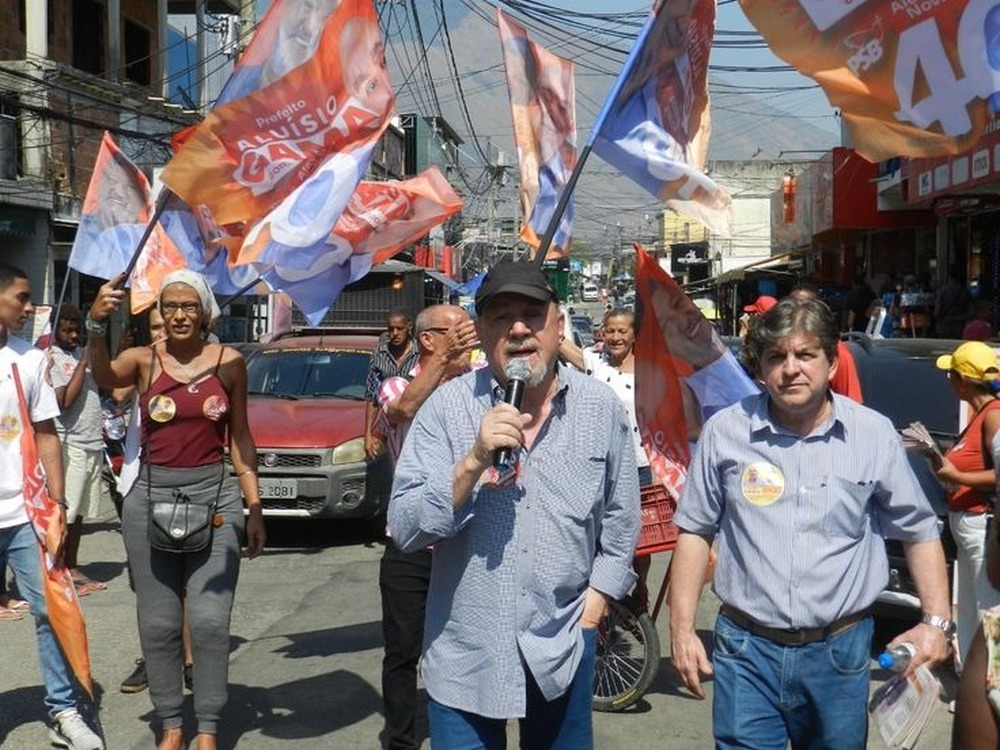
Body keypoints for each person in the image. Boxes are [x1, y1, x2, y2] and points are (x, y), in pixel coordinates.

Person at [668, 297, 952, 750]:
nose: (791, 369)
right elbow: (695, 531)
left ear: (831, 361)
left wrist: (937, 621)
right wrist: (682, 630)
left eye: (805, 355)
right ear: (760, 367)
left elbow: (918, 530)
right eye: (776, 356)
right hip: (746, 650)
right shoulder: (725, 432)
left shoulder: (873, 433)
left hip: (838, 654)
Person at [387, 260, 640, 749]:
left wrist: (596, 604)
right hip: (467, 656)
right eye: (502, 317)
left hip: (563, 646)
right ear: (481, 331)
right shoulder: (447, 408)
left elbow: (621, 515)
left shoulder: (598, 407)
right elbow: (405, 528)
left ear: (558, 325)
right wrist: (472, 462)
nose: (520, 329)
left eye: (533, 314)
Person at [87, 269, 266, 750]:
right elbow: (104, 377)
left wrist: (254, 506)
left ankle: (206, 726)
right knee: (159, 622)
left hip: (216, 497)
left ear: (205, 312)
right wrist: (95, 325)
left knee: (208, 621)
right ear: (161, 314)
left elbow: (241, 438)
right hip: (149, 498)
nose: (180, 314)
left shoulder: (229, 362)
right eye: (171, 307)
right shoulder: (144, 360)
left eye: (189, 306)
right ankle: (171, 723)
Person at [0, 263, 103, 749]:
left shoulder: (27, 362)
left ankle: (64, 711)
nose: (28, 307)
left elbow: (45, 435)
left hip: (25, 516)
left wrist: (58, 504)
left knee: (55, 612)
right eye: (21, 298)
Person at [377, 304, 478, 750]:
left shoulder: (480, 385)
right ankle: (401, 739)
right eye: (457, 332)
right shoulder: (395, 382)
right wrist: (442, 364)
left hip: (465, 539)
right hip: (413, 540)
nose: (467, 339)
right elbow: (403, 409)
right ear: (428, 340)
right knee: (403, 652)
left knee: (466, 647)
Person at [115, 307, 195, 696]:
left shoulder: (200, 366)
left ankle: (192, 659)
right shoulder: (142, 365)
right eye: (155, 328)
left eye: (166, 326)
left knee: (185, 582)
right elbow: (114, 390)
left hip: (186, 485)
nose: (162, 333)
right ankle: (153, 657)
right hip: (138, 481)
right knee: (149, 583)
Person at [935, 342, 1000, 661]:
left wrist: (957, 477)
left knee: (987, 611)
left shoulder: (994, 416)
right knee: (971, 611)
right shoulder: (981, 416)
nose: (947, 381)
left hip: (981, 528)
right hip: (968, 529)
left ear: (961, 379)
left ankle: (989, 686)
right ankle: (972, 683)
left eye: (950, 374)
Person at [47, 305, 107, 597]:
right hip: (70, 443)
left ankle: (72, 565)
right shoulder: (53, 359)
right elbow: (64, 401)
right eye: (66, 330)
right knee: (65, 513)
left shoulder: (81, 352)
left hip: (93, 441)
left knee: (80, 512)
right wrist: (83, 362)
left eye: (75, 330)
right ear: (55, 330)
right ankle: (57, 569)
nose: (72, 336)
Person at [789, 285, 864, 403]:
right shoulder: (780, 347)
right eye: (791, 305)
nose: (798, 311)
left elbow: (852, 404)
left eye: (805, 305)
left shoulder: (838, 351)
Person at [364, 310, 418, 460]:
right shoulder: (379, 355)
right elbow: (372, 396)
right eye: (390, 329)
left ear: (409, 327)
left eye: (399, 328)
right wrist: (368, 434)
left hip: (414, 426)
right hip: (387, 427)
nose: (394, 333)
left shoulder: (421, 353)